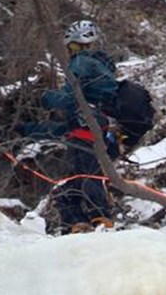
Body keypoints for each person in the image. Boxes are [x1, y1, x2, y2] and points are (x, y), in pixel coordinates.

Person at [40, 18, 120, 233]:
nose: (72, 51)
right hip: (91, 128)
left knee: (86, 174)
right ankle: (78, 221)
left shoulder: (81, 63)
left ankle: (99, 217)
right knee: (75, 178)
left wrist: (47, 98)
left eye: (73, 47)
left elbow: (69, 97)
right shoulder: (101, 66)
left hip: (85, 129)